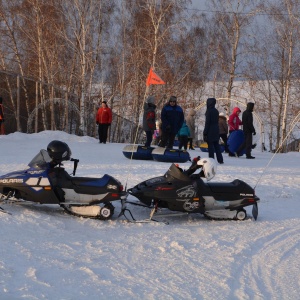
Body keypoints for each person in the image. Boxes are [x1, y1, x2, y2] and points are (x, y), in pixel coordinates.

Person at [203, 98, 224, 164]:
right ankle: (220, 160)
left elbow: (207, 123)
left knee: (210, 146)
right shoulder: (216, 111)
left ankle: (211, 160)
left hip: (210, 130)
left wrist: (205, 132)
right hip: (216, 129)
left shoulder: (209, 111)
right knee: (216, 145)